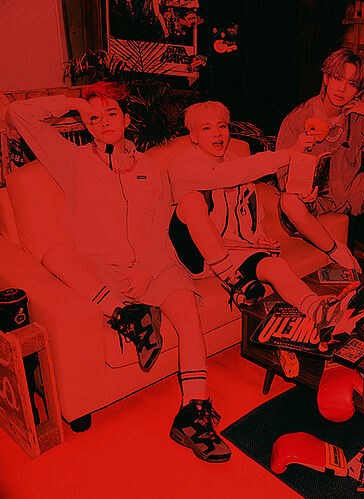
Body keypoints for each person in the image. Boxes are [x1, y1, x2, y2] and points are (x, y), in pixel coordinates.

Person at [4, 82, 231, 463]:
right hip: (102, 269)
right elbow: (18, 114)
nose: (103, 122)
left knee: (188, 315)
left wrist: (146, 269)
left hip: (154, 266)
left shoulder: (150, 168)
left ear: (126, 120)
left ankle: (193, 411)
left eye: (111, 114)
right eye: (94, 118)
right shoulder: (72, 160)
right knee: (55, 254)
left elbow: (160, 226)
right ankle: (127, 314)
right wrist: (74, 104)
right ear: (86, 125)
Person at [167, 100, 364, 332]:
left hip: (229, 250)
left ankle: (320, 311)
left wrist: (257, 239)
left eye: (222, 126)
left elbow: (251, 208)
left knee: (276, 266)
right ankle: (232, 281)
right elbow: (225, 175)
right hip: (192, 254)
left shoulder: (235, 160)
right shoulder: (182, 166)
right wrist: (289, 153)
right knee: (191, 202)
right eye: (206, 128)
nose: (217, 134)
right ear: (193, 136)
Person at [276, 48, 364, 273]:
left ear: (359, 90)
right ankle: (336, 251)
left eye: (351, 84)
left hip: (347, 192)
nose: (342, 89)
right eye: (337, 78)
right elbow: (282, 171)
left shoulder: (360, 117)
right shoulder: (298, 119)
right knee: (288, 201)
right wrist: (300, 190)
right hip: (314, 200)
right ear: (326, 78)